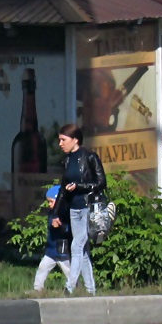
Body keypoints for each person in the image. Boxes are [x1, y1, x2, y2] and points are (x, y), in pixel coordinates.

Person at [52, 124, 106, 296]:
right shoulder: (66, 161)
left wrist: (80, 186)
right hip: (73, 209)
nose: (60, 144)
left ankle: (69, 287)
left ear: (75, 140)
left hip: (88, 207)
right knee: (82, 251)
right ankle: (91, 291)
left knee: (76, 246)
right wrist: (56, 214)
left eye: (63, 140)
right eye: (59, 140)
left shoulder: (90, 157)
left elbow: (101, 182)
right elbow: (62, 191)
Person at [31, 185, 72, 293]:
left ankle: (74, 288)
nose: (49, 204)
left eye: (51, 201)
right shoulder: (51, 213)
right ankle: (37, 289)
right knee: (42, 269)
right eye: (48, 202)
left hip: (62, 251)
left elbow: (68, 230)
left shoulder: (65, 213)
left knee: (69, 272)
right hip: (51, 251)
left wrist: (61, 227)